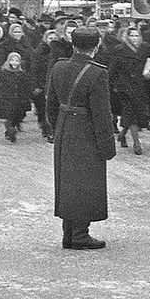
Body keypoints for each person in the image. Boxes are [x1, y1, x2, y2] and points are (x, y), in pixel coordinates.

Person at [46, 27, 117, 251]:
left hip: (64, 127)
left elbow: (50, 104)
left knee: (67, 180)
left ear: (73, 45)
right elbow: (101, 113)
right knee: (85, 182)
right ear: (95, 47)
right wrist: (107, 144)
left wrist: (57, 125)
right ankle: (79, 234)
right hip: (86, 131)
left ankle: (69, 232)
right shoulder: (97, 73)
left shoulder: (59, 67)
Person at [111, 24, 150, 155]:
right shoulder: (120, 49)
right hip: (124, 86)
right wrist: (113, 85)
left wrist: (147, 71)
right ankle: (137, 142)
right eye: (131, 35)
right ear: (126, 37)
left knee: (135, 112)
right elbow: (113, 69)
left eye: (136, 35)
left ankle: (123, 134)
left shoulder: (145, 48)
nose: (134, 38)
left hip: (139, 85)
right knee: (131, 113)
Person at [0, 51, 35, 142]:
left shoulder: (22, 73)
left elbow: (28, 84)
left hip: (19, 99)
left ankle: (10, 130)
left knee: (17, 116)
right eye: (12, 60)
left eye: (17, 61)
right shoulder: (4, 72)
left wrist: (33, 91)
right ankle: (10, 131)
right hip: (6, 98)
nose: (14, 63)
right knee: (9, 116)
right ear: (8, 61)